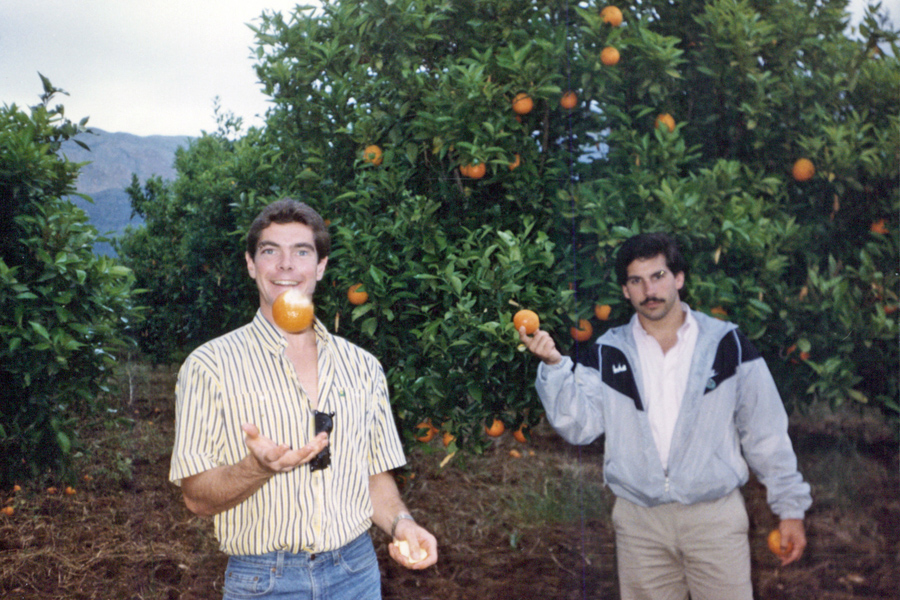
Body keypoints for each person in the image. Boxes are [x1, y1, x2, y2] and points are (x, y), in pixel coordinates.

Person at [169, 198, 438, 600]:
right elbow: (195, 496)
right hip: (264, 581)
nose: (285, 265)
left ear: (321, 266)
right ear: (250, 264)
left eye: (301, 251)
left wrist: (402, 523)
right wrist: (255, 469)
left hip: (357, 572)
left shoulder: (363, 366)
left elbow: (373, 474)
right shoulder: (209, 366)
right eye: (269, 251)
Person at [519, 232, 811, 600]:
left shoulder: (728, 343)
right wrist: (555, 368)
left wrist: (791, 509)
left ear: (679, 278)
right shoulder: (607, 352)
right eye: (636, 281)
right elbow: (580, 427)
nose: (648, 290)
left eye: (658, 276)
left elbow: (765, 433)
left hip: (715, 519)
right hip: (639, 524)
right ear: (625, 290)